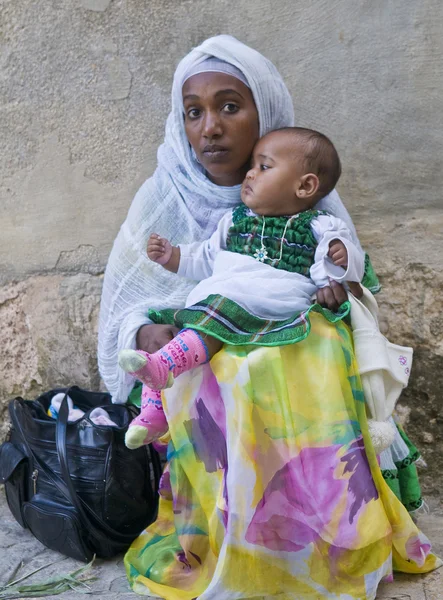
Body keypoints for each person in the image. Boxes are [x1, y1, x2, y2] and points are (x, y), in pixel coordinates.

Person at [98, 36, 440, 599]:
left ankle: (320, 538)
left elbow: (349, 278)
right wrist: (143, 330)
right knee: (201, 360)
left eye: (230, 106)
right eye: (194, 112)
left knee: (311, 354)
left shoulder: (310, 200)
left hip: (286, 340)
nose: (210, 127)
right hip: (201, 338)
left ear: (266, 114)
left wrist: (337, 289)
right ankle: (233, 537)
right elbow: (131, 297)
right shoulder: (164, 198)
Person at [118, 127, 367, 449]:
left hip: (270, 300)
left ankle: (164, 370)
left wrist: (342, 261)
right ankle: (154, 412)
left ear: (305, 186)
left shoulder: (319, 227)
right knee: (165, 325)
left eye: (264, 166)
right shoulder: (234, 220)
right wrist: (173, 256)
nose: (250, 173)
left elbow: (333, 272)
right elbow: (207, 256)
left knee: (211, 319)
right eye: (252, 165)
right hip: (222, 296)